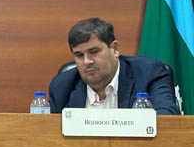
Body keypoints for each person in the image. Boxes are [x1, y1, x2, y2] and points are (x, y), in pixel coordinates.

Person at [48, 17, 179, 115]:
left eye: (93, 52)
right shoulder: (61, 86)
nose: (87, 61)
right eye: (79, 55)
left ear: (115, 49)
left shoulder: (149, 73)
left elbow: (166, 120)